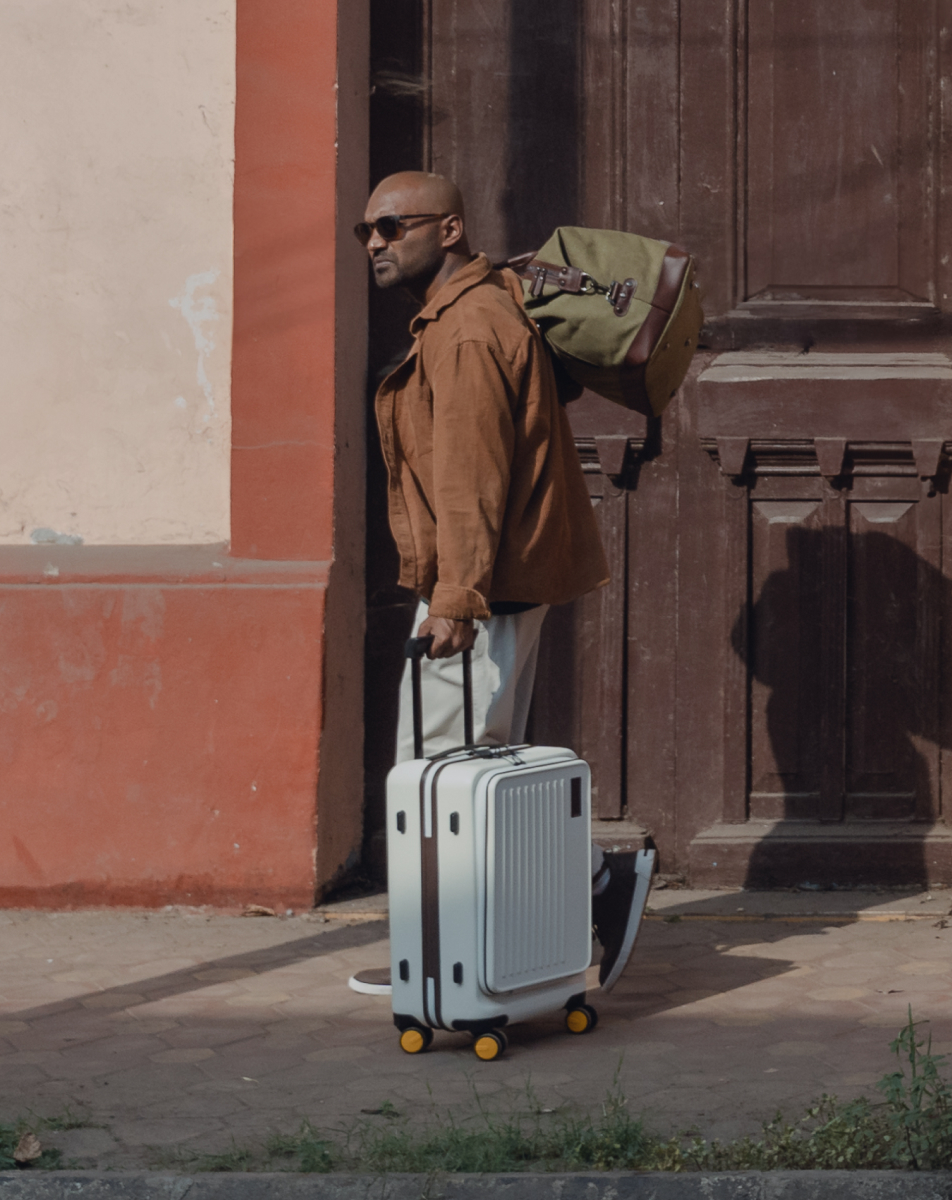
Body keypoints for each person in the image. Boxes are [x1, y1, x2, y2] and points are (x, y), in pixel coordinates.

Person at [345, 171, 623, 996]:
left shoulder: (468, 330)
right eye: (367, 231)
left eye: (394, 227)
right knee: (478, 766)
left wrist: (457, 597)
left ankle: (470, 946)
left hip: (479, 587)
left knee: (435, 773)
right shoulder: (476, 309)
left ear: (452, 229)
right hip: (494, 579)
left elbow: (473, 478)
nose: (376, 244)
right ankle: (485, 945)